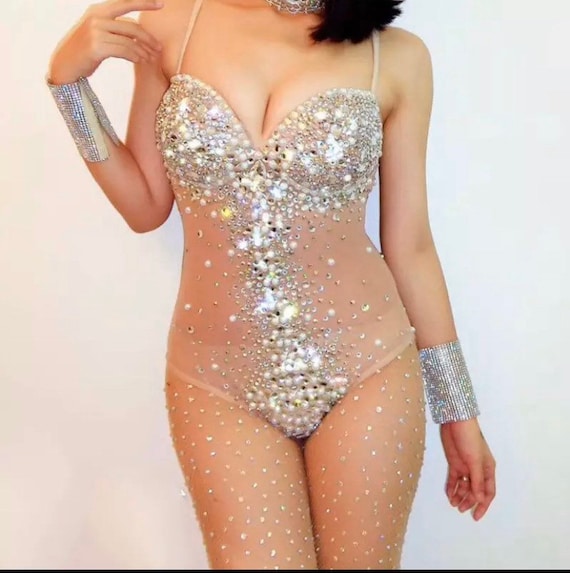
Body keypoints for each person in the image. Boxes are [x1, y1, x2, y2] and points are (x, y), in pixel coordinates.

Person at [46, 0, 497, 569]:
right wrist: (69, 87)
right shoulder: (174, 22)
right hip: (216, 383)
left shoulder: (397, 57)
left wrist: (457, 408)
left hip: (368, 372)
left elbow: (410, 248)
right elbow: (144, 206)